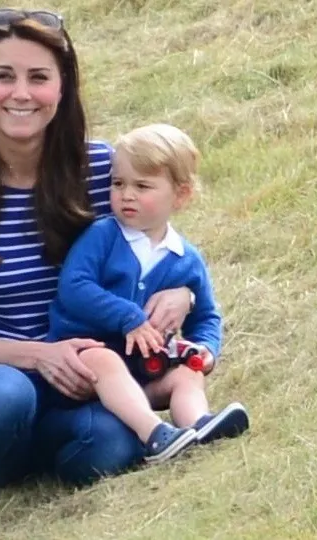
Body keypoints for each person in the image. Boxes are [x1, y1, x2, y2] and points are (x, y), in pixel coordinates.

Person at [0, 9, 194, 540]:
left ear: (63, 87)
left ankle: (9, 472)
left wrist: (182, 292)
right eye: (4, 76)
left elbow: (155, 246)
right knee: (8, 394)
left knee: (111, 448)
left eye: (38, 77)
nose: (20, 94)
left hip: (78, 388)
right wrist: (37, 355)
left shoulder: (102, 171)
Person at [47, 123, 250, 462]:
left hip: (145, 372)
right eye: (118, 183)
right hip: (86, 362)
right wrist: (129, 317)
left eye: (142, 186)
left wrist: (205, 349)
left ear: (181, 195)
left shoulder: (186, 258)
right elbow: (73, 287)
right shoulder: (102, 236)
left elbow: (206, 315)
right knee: (104, 358)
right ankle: (155, 434)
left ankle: (198, 424)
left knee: (187, 373)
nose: (127, 194)